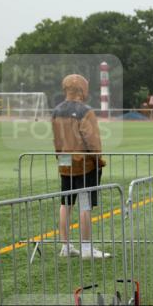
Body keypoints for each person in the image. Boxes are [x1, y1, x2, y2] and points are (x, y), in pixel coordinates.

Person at [52, 74, 110, 259]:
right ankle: (86, 247)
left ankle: (66, 246)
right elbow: (92, 141)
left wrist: (60, 156)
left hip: (64, 160)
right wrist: (98, 158)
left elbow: (57, 140)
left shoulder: (56, 111)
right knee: (85, 205)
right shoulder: (85, 111)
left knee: (65, 203)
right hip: (84, 163)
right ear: (81, 89)